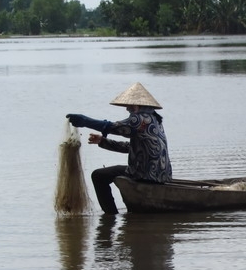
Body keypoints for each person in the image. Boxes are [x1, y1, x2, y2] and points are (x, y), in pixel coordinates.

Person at [66, 82, 172, 214]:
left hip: (146, 173)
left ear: (136, 106)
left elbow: (112, 127)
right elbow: (131, 147)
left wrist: (85, 121)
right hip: (162, 173)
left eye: (128, 107)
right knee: (107, 173)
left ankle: (110, 215)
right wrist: (103, 141)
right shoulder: (154, 119)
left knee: (98, 176)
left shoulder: (140, 119)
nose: (127, 109)